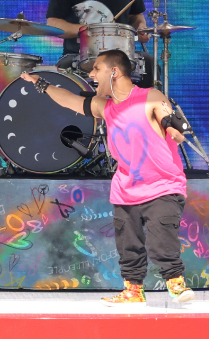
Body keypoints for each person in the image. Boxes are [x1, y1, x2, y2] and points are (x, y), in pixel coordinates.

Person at [21, 50, 194, 305]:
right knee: (128, 244)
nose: (91, 74)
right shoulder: (106, 107)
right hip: (126, 188)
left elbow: (167, 117)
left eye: (96, 69)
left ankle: (176, 283)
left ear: (114, 72)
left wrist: (174, 130)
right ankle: (133, 291)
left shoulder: (149, 97)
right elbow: (69, 100)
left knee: (161, 239)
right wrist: (41, 83)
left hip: (162, 185)